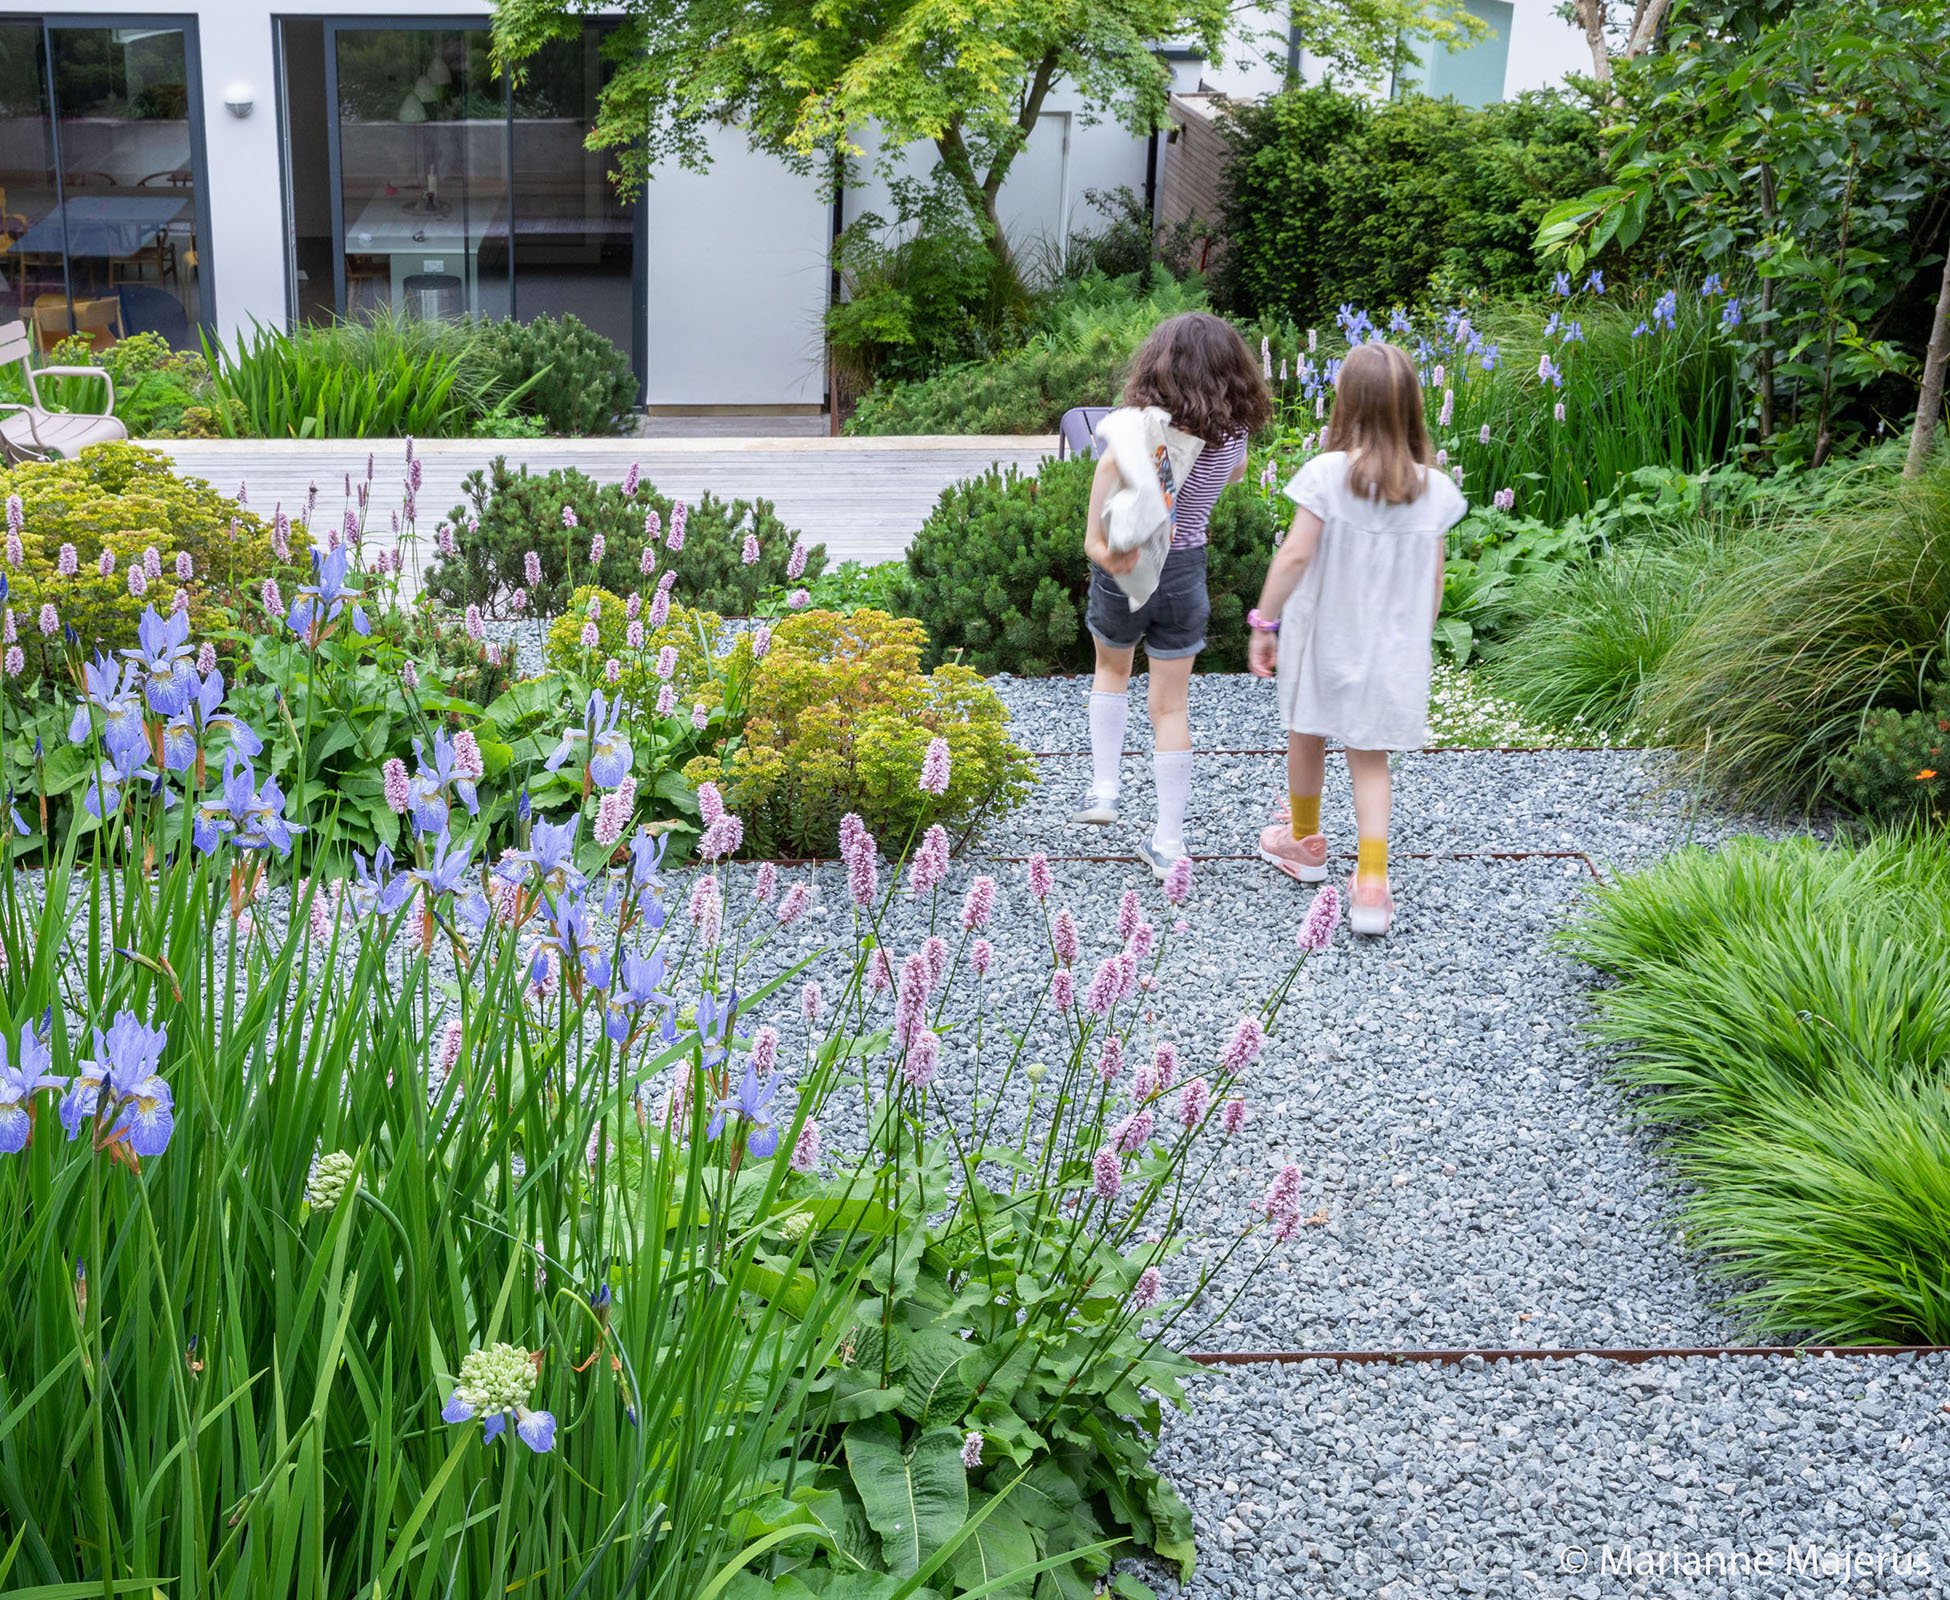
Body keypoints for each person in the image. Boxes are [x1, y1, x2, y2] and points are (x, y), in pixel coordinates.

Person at [1247, 341, 1467, 936]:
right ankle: (1371, 883)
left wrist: (1265, 624)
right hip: (1389, 648)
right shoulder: (1435, 491)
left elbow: (1294, 557)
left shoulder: (1325, 476)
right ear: (1413, 407)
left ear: (1346, 403)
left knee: (1307, 731)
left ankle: (1302, 841)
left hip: (1323, 641)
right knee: (1370, 759)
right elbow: (1436, 581)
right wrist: (1410, 643)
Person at [1075, 312, 1271, 877]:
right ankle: (1169, 843)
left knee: (1112, 671)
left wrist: (1098, 545)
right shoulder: (1233, 436)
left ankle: (1105, 791)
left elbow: (1109, 469)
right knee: (1171, 707)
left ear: (1158, 363)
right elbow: (1232, 477)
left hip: (1128, 563)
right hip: (1186, 569)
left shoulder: (1140, 426)